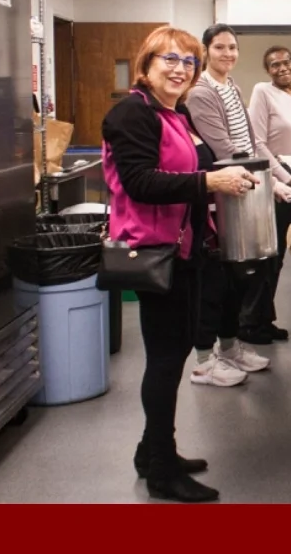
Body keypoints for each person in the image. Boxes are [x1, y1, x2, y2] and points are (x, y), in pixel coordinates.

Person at [101, 25, 259, 501]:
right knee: (166, 361)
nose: (179, 69)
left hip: (187, 248)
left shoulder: (175, 111)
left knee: (174, 354)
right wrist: (210, 183)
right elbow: (141, 183)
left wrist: (214, 176)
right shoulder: (132, 114)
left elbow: (186, 169)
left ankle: (152, 451)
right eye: (168, 59)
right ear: (146, 64)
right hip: (155, 252)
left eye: (188, 61)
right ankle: (162, 470)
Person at [186, 23, 282, 362]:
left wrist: (282, 176)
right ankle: (207, 358)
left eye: (232, 48)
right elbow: (225, 149)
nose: (228, 54)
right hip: (222, 194)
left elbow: (252, 142)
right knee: (217, 282)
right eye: (220, 48)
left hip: (245, 187)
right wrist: (266, 181)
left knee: (238, 279)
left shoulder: (231, 86)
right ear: (205, 51)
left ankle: (230, 348)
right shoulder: (201, 92)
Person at [247, 46, 291, 309]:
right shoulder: (263, 92)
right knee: (267, 256)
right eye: (274, 65)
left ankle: (265, 318)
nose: (282, 67)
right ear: (268, 70)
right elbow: (258, 144)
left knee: (278, 256)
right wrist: (286, 177)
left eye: (287, 62)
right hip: (271, 182)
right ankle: (253, 321)